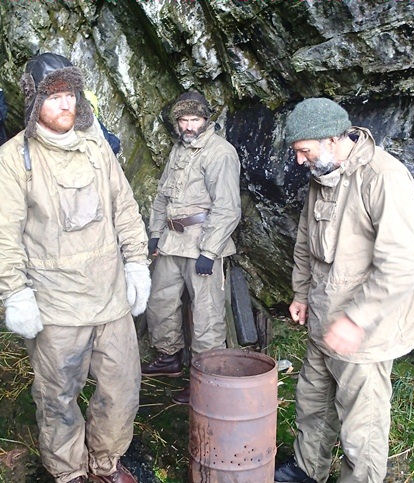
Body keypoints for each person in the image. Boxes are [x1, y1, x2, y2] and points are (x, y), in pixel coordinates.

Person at [0, 52, 151, 483]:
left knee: (121, 390)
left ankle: (105, 464)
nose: (65, 105)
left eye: (70, 94)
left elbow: (124, 206)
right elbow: (4, 235)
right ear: (33, 105)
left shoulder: (95, 143)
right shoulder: (14, 159)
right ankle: (68, 473)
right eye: (53, 97)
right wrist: (15, 293)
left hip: (110, 297)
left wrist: (137, 263)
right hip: (56, 307)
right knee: (58, 398)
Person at [275, 98, 414, 483]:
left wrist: (355, 320)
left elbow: (404, 263)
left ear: (331, 139)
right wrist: (299, 294)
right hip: (325, 313)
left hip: (366, 327)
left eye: (303, 151)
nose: (299, 161)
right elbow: (304, 243)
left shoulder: (383, 177)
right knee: (312, 400)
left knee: (361, 423)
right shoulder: (322, 173)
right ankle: (307, 469)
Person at [142, 91, 241, 404]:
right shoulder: (179, 149)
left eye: (194, 119)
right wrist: (155, 234)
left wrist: (210, 252)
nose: (188, 126)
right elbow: (161, 197)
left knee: (206, 315)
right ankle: (168, 358)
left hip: (201, 243)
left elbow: (228, 207)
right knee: (159, 302)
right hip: (172, 241)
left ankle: (207, 381)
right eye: (183, 120)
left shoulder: (220, 153)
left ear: (206, 119)